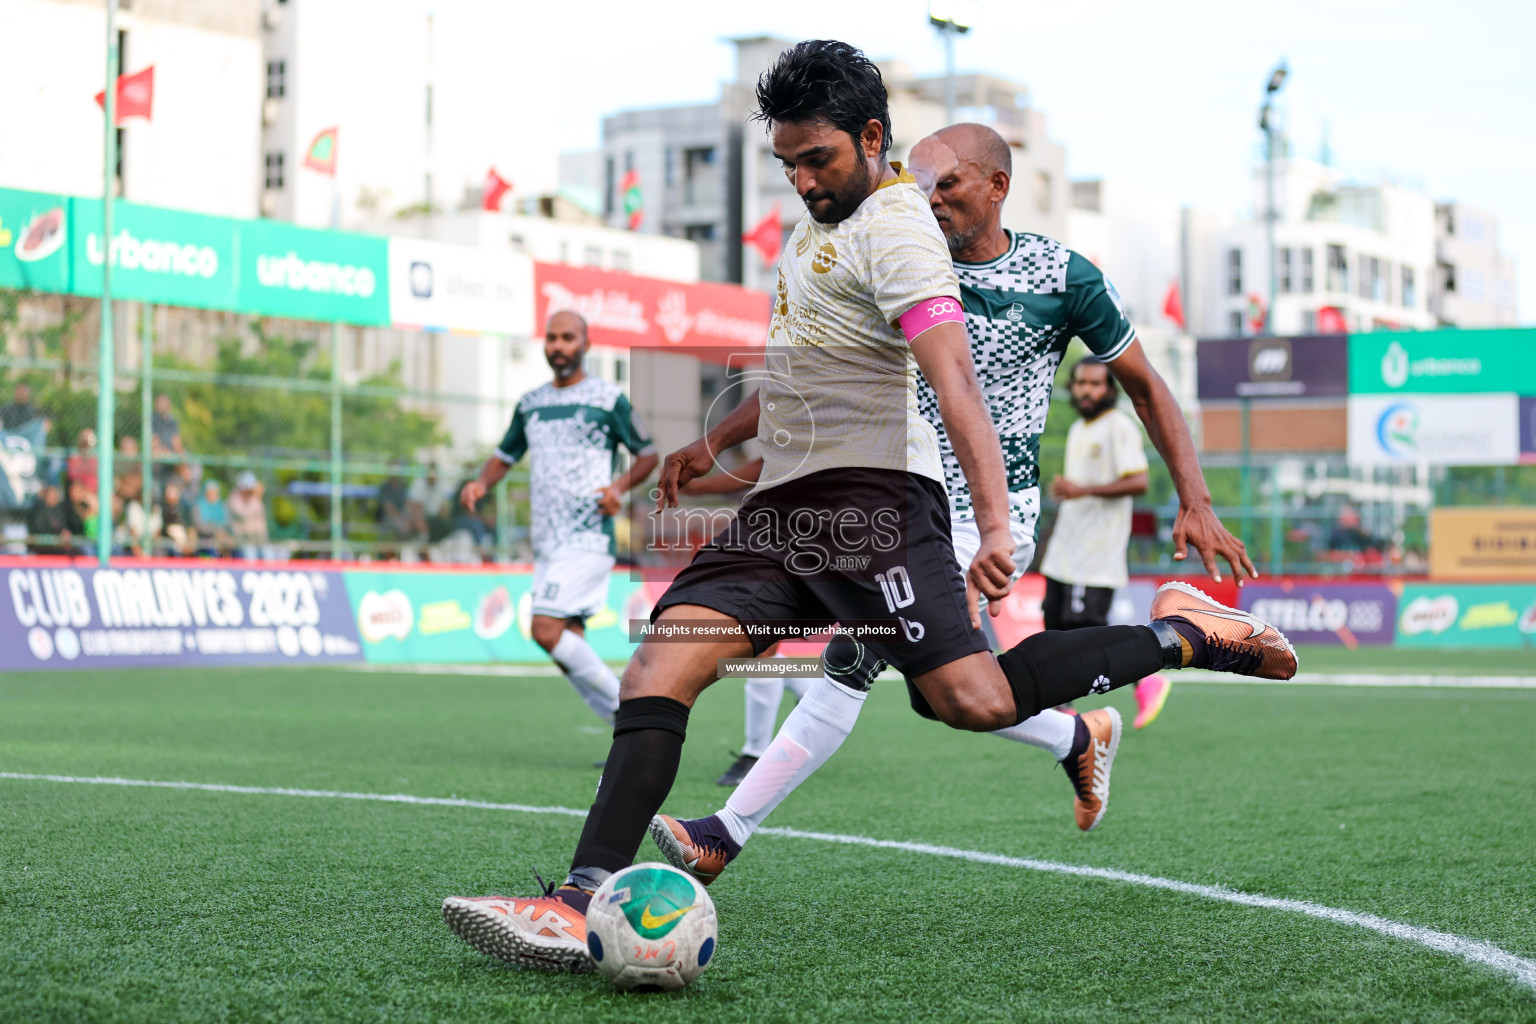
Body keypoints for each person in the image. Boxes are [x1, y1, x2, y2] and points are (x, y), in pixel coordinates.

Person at [440, 41, 1294, 971]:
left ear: (873, 138)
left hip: (882, 506)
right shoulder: (817, 229)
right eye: (788, 164)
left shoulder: (898, 232)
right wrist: (711, 443)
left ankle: (1185, 635)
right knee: (663, 660)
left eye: (819, 161)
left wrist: (998, 521)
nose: (802, 182)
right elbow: (809, 362)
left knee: (969, 699)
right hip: (783, 510)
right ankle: (578, 897)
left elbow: (953, 376)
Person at [457, 309, 659, 727]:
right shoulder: (531, 404)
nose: (558, 346)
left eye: (568, 338)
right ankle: (625, 736)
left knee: (544, 629)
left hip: (588, 535)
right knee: (568, 641)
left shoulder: (607, 399)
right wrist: (481, 484)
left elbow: (648, 455)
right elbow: (504, 455)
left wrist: (618, 489)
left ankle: (635, 716)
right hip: (547, 540)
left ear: (585, 345)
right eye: (551, 338)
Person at [1041, 356, 1172, 730]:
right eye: (1080, 383)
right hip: (1065, 550)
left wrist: (1080, 490)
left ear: (1111, 390)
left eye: (1095, 384)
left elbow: (1139, 481)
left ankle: (1147, 678)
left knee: (1088, 630)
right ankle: (1061, 708)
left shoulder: (1119, 427)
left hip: (1094, 554)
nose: (1086, 390)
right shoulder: (1080, 428)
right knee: (1055, 628)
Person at [26, 482, 84, 555]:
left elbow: (75, 525)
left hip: (64, 547)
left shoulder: (63, 509)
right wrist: (57, 537)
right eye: (49, 494)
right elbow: (38, 530)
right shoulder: (39, 510)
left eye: (54, 494)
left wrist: (66, 533)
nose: (51, 497)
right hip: (44, 548)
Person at [228, 471, 271, 560]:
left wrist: (256, 497)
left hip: (259, 538)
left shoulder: (254, 498)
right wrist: (256, 496)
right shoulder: (234, 499)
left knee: (269, 555)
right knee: (250, 555)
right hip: (243, 539)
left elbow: (260, 515)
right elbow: (244, 515)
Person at [193, 480, 233, 554]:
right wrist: (215, 531)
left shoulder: (221, 505)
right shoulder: (199, 506)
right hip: (205, 537)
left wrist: (220, 531)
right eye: (211, 491)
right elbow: (200, 525)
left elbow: (226, 521)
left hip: (221, 536)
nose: (213, 494)